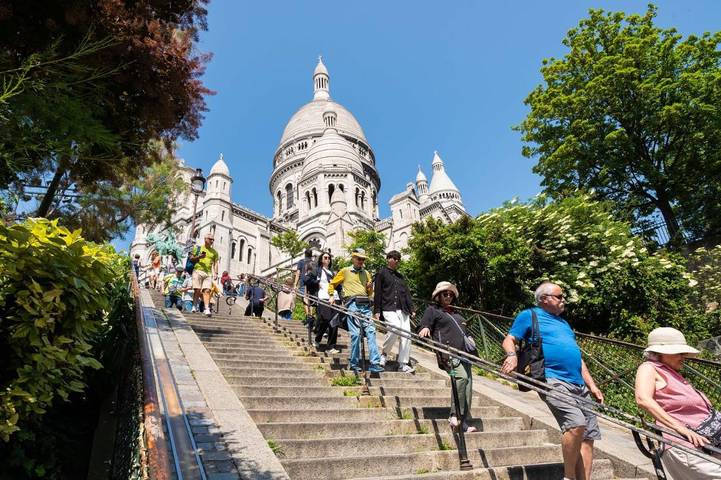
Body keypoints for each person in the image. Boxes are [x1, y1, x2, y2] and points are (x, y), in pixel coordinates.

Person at [501, 282, 604, 480]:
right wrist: (511, 355)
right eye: (560, 296)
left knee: (588, 436)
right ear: (544, 299)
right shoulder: (529, 315)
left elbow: (578, 357)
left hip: (579, 384)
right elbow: (509, 339)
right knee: (576, 424)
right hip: (552, 379)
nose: (563, 300)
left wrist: (592, 385)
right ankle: (569, 476)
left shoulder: (564, 324)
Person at [635, 327, 721, 479]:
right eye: (678, 353)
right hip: (686, 447)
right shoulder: (649, 367)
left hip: (705, 445)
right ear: (660, 353)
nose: (683, 357)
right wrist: (681, 428)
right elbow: (643, 399)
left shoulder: (671, 372)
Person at [419, 281, 477, 433]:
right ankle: (454, 415)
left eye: (451, 294)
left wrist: (471, 338)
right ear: (438, 296)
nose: (448, 296)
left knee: (468, 388)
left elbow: (465, 331)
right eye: (445, 294)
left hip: (465, 355)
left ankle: (463, 422)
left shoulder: (457, 314)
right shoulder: (432, 310)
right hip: (448, 354)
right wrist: (425, 328)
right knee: (461, 379)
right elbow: (425, 324)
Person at [328, 248, 383, 373]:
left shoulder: (367, 273)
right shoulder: (345, 271)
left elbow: (369, 292)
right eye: (359, 258)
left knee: (371, 331)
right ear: (353, 258)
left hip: (365, 305)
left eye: (363, 259)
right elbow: (332, 284)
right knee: (355, 334)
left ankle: (375, 362)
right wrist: (331, 295)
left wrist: (370, 288)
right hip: (352, 304)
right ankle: (354, 363)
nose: (361, 261)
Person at [374, 250, 415, 373]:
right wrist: (377, 310)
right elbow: (378, 293)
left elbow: (407, 294)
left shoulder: (400, 277)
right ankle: (384, 354)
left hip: (403, 310)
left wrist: (412, 308)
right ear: (388, 258)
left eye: (398, 259)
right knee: (395, 328)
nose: (397, 260)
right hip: (388, 308)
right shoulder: (381, 273)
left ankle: (402, 364)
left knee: (407, 335)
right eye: (394, 258)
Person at [314, 252, 340, 353]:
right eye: (325, 257)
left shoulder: (332, 273)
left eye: (329, 258)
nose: (327, 259)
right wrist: (317, 282)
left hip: (335, 298)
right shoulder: (318, 270)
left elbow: (338, 286)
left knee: (334, 322)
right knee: (325, 319)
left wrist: (340, 299)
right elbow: (307, 279)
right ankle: (318, 338)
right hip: (323, 297)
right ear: (321, 259)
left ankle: (331, 346)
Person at [189, 233, 219, 316]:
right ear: (205, 239)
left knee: (207, 290)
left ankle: (207, 309)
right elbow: (191, 259)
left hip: (208, 273)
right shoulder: (197, 248)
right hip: (197, 270)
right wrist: (199, 257)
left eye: (213, 239)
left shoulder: (214, 252)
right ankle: (194, 306)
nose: (212, 241)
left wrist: (216, 273)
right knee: (197, 290)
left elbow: (216, 263)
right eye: (210, 239)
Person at [294, 249, 314, 317]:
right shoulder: (313, 263)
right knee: (311, 298)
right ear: (311, 255)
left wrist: (295, 284)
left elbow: (298, 273)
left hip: (303, 282)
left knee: (304, 297)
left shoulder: (301, 262)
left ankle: (307, 314)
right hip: (312, 282)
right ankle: (311, 314)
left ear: (305, 254)